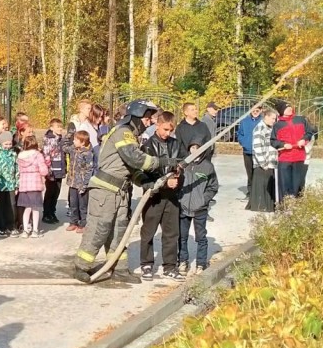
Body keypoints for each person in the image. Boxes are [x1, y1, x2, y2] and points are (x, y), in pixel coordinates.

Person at [74, 100, 178, 285]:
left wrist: (148, 182)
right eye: (147, 118)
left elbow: (132, 169)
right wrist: (165, 161)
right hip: (104, 191)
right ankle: (81, 266)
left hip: (119, 192)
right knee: (99, 229)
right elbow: (136, 159)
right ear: (137, 116)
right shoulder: (124, 133)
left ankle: (119, 269)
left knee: (118, 232)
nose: (150, 122)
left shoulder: (131, 136)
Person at [137, 111, 182, 280]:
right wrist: (164, 182)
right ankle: (147, 264)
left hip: (171, 196)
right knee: (148, 231)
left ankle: (170, 266)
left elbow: (181, 163)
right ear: (157, 125)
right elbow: (146, 173)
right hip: (153, 196)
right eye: (164, 129)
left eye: (170, 130)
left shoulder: (176, 144)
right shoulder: (147, 146)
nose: (167, 133)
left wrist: (178, 176)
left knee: (171, 232)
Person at [177, 143, 219, 276]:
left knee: (201, 236)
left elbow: (213, 186)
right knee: (182, 236)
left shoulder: (208, 167)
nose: (195, 150)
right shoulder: (183, 164)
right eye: (192, 147)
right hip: (183, 207)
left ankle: (201, 263)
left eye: (198, 147)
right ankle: (183, 260)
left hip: (200, 208)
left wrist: (203, 200)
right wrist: (179, 198)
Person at [271, 101, 316, 200]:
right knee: (285, 184)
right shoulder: (277, 125)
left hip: (299, 157)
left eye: (290, 107)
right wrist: (283, 145)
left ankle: (296, 206)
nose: (290, 109)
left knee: (297, 183)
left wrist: (303, 140)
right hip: (285, 158)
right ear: (282, 111)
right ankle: (284, 206)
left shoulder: (300, 120)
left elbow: (309, 133)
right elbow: (273, 141)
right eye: (287, 108)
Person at [16, 134, 49, 238]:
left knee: (27, 208)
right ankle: (35, 230)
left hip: (24, 184)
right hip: (35, 184)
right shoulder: (37, 154)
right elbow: (43, 171)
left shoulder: (20, 155)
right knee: (35, 208)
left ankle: (25, 230)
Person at [65, 130, 95, 232]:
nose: (73, 141)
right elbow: (64, 148)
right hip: (72, 183)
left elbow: (89, 170)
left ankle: (83, 224)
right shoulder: (73, 149)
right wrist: (68, 135)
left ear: (82, 142)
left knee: (83, 206)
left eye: (76, 140)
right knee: (73, 204)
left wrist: (85, 184)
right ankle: (73, 222)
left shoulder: (87, 153)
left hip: (82, 184)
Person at [0, 130, 19, 236]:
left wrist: (16, 185)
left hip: (11, 184)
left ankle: (11, 226)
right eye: (5, 144)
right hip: (0, 184)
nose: (8, 146)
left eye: (10, 144)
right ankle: (0, 226)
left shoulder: (13, 153)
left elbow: (17, 168)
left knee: (11, 205)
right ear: (1, 143)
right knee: (0, 206)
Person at [249, 108, 279, 212]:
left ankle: (268, 206)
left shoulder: (269, 128)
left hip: (270, 163)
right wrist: (263, 163)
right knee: (261, 188)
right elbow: (257, 147)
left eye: (275, 119)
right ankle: (260, 206)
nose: (274, 121)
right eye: (272, 118)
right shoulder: (260, 128)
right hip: (263, 164)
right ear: (266, 117)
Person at [236, 104, 264, 204]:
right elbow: (239, 133)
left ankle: (260, 193)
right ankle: (250, 193)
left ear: (261, 110)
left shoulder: (264, 121)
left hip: (260, 152)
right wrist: (243, 142)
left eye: (257, 110)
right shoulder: (245, 121)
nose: (255, 112)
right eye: (253, 110)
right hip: (247, 151)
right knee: (250, 173)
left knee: (259, 172)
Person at [41, 119, 66, 224]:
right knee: (50, 192)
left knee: (57, 192)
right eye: (57, 127)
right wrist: (48, 170)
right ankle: (46, 213)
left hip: (60, 169)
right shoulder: (48, 139)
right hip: (52, 170)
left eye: (61, 127)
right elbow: (46, 155)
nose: (60, 129)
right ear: (51, 128)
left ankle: (52, 212)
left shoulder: (61, 139)